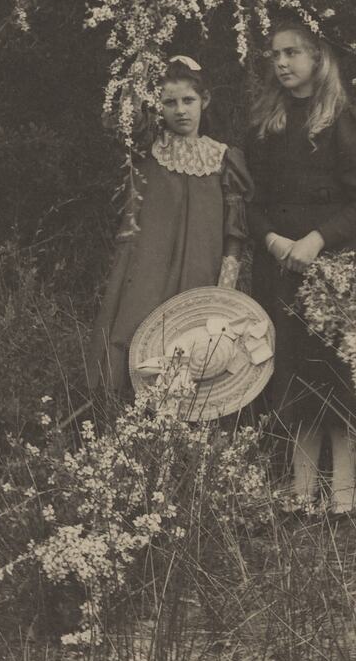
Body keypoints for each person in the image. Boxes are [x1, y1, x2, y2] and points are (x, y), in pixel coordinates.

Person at [246, 18, 356, 515]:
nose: (282, 63)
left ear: (318, 58)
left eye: (292, 53)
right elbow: (251, 198)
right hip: (281, 263)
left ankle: (344, 488)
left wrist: (316, 240)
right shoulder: (268, 123)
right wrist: (270, 239)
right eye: (275, 55)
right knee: (293, 369)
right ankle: (301, 485)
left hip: (336, 265)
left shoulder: (348, 121)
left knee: (338, 371)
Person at [89, 57, 253, 404]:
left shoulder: (223, 159)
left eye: (188, 100)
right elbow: (122, 120)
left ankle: (182, 435)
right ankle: (123, 420)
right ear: (158, 106)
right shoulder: (147, 147)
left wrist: (225, 285)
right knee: (135, 334)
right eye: (169, 102)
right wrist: (140, 68)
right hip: (148, 265)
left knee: (192, 344)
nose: (180, 110)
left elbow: (234, 231)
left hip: (200, 268)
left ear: (204, 101)